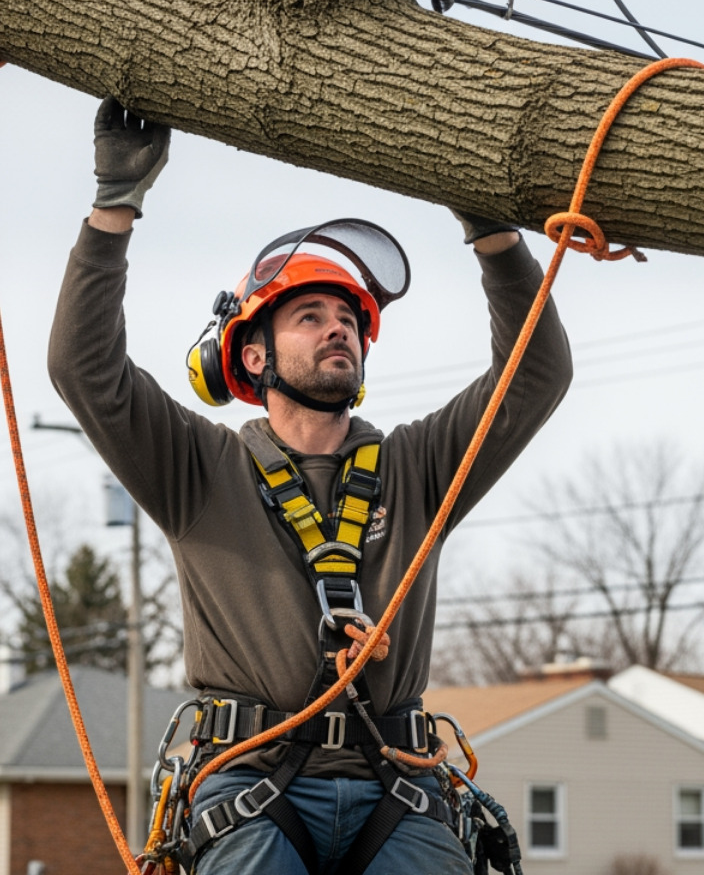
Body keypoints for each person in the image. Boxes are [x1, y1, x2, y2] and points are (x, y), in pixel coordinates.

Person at [49, 98, 572, 874]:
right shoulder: (200, 468)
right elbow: (85, 370)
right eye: (310, 316)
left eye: (350, 321)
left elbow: (536, 374)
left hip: (398, 783)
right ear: (253, 357)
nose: (339, 329)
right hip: (252, 783)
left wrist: (491, 232)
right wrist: (115, 205)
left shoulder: (419, 466)